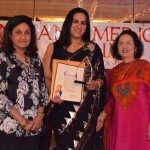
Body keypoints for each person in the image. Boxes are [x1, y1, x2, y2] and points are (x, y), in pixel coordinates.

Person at [43, 7, 107, 150]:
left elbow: (101, 76)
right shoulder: (53, 47)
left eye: (83, 23)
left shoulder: (92, 48)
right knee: (62, 144)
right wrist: (52, 93)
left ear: (87, 26)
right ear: (68, 23)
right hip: (59, 107)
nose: (79, 26)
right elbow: (46, 76)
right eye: (75, 21)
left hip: (85, 109)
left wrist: (96, 83)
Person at [0, 15, 49, 150]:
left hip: (34, 127)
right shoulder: (3, 58)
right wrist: (23, 122)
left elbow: (43, 89)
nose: (23, 37)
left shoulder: (35, 59)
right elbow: (1, 96)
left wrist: (40, 116)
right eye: (18, 32)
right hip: (10, 128)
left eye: (27, 32)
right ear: (10, 35)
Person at [96, 29, 150, 150]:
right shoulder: (113, 72)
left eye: (128, 43)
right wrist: (102, 115)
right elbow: (111, 100)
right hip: (120, 125)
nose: (124, 46)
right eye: (121, 43)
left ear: (136, 47)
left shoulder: (145, 67)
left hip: (142, 125)